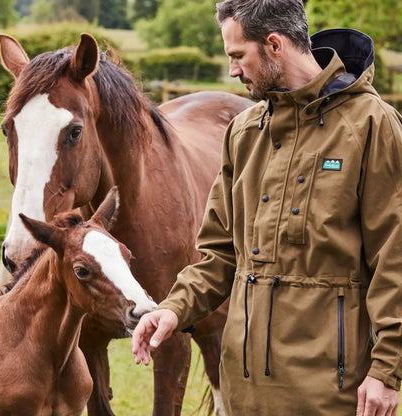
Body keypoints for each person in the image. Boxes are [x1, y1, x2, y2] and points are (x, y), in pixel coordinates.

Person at [131, 0, 402, 414]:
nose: (232, 71)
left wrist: (386, 371)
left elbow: (394, 258)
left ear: (274, 45)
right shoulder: (243, 132)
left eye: (238, 56)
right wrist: (173, 309)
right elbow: (219, 255)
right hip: (244, 387)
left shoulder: (371, 125)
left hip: (332, 391)